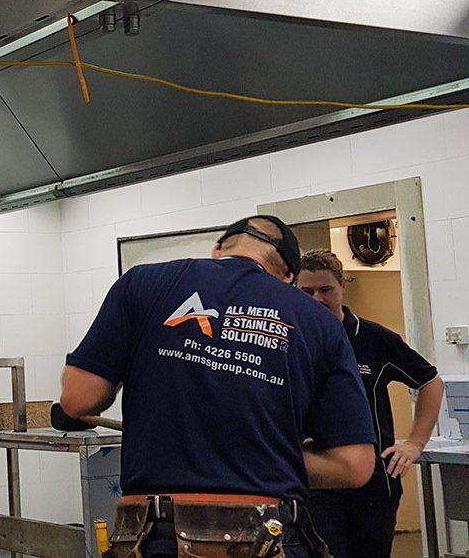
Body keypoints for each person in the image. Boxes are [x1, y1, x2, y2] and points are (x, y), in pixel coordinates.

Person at [60, 215, 376, 557]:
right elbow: (354, 464)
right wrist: (267, 454)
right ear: (288, 276)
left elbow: (78, 399)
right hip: (268, 535)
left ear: (217, 250)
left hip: (158, 535)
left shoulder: (143, 283)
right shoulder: (320, 323)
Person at [298, 248, 444, 558]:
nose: (316, 299)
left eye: (325, 290)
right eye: (306, 291)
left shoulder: (374, 339)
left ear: (342, 286)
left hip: (374, 486)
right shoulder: (290, 341)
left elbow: (430, 382)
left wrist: (415, 443)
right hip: (316, 487)